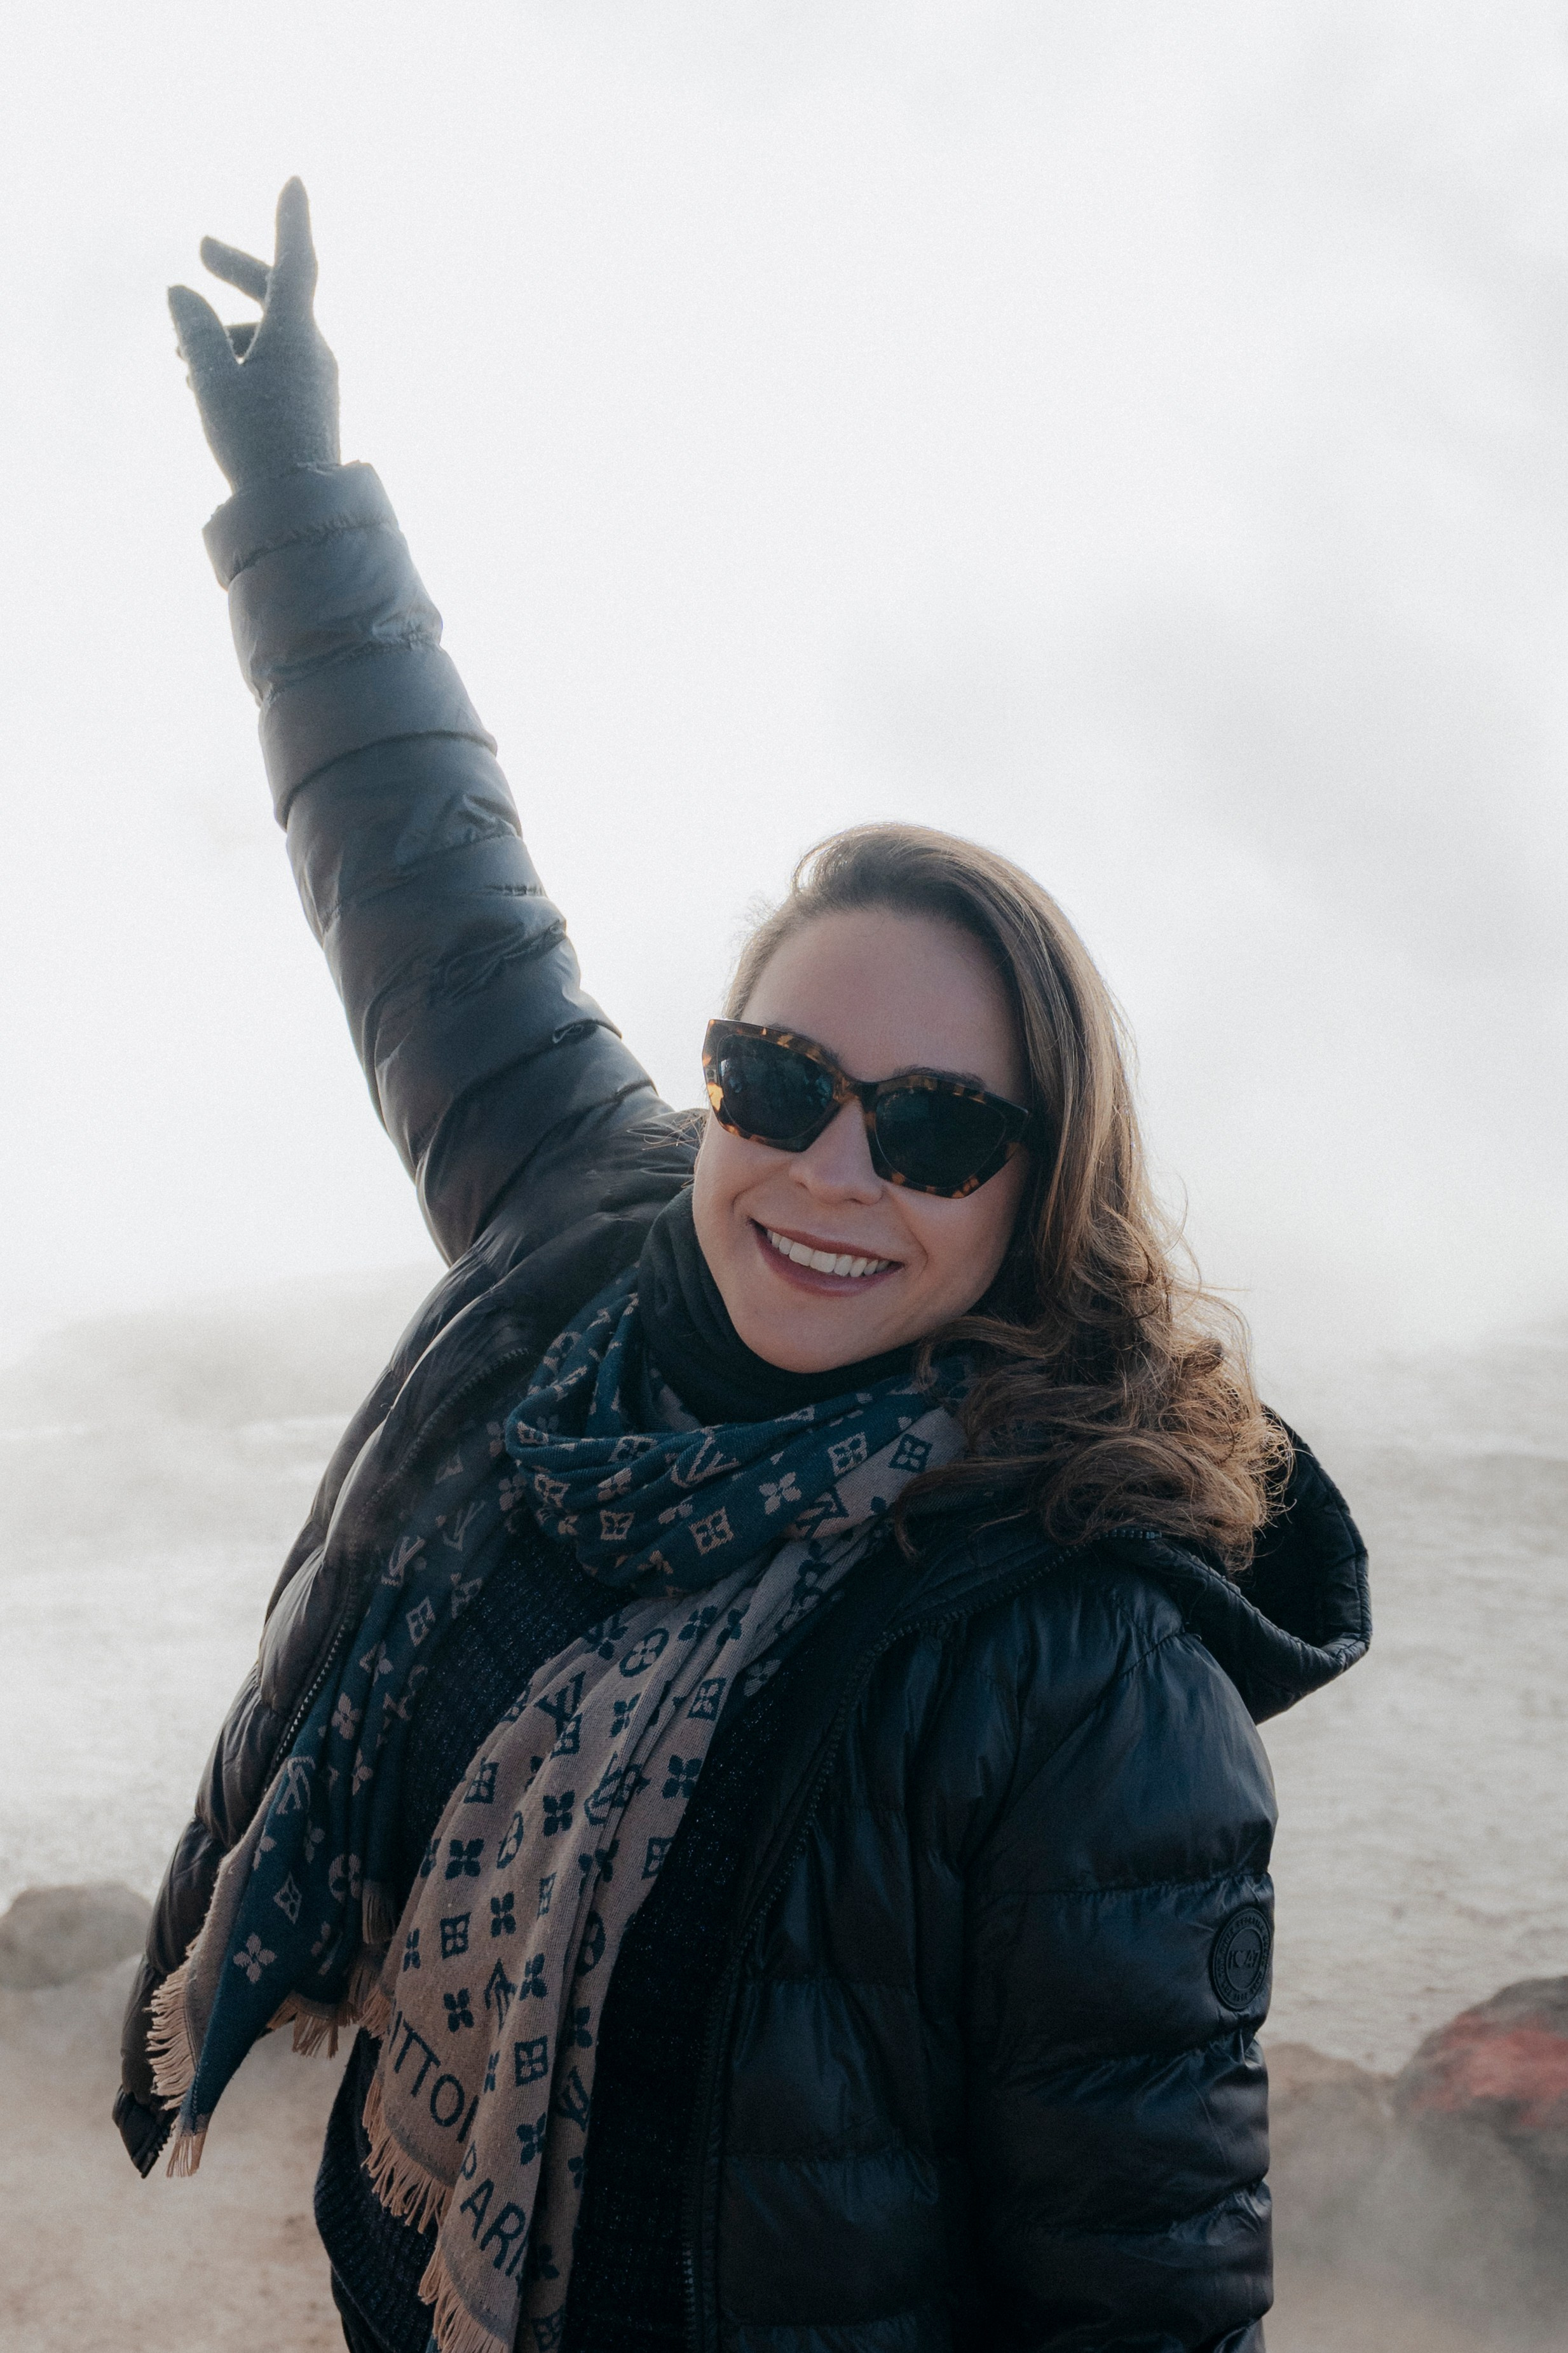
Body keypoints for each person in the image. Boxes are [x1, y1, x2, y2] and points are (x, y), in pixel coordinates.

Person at [115, 182, 1370, 2353]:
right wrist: (299, 501)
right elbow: (423, 870)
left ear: (1035, 1194)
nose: (832, 1166)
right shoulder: (583, 1255)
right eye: (778, 1077)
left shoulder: (1079, 1660)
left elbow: (1144, 2278)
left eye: (938, 1125)